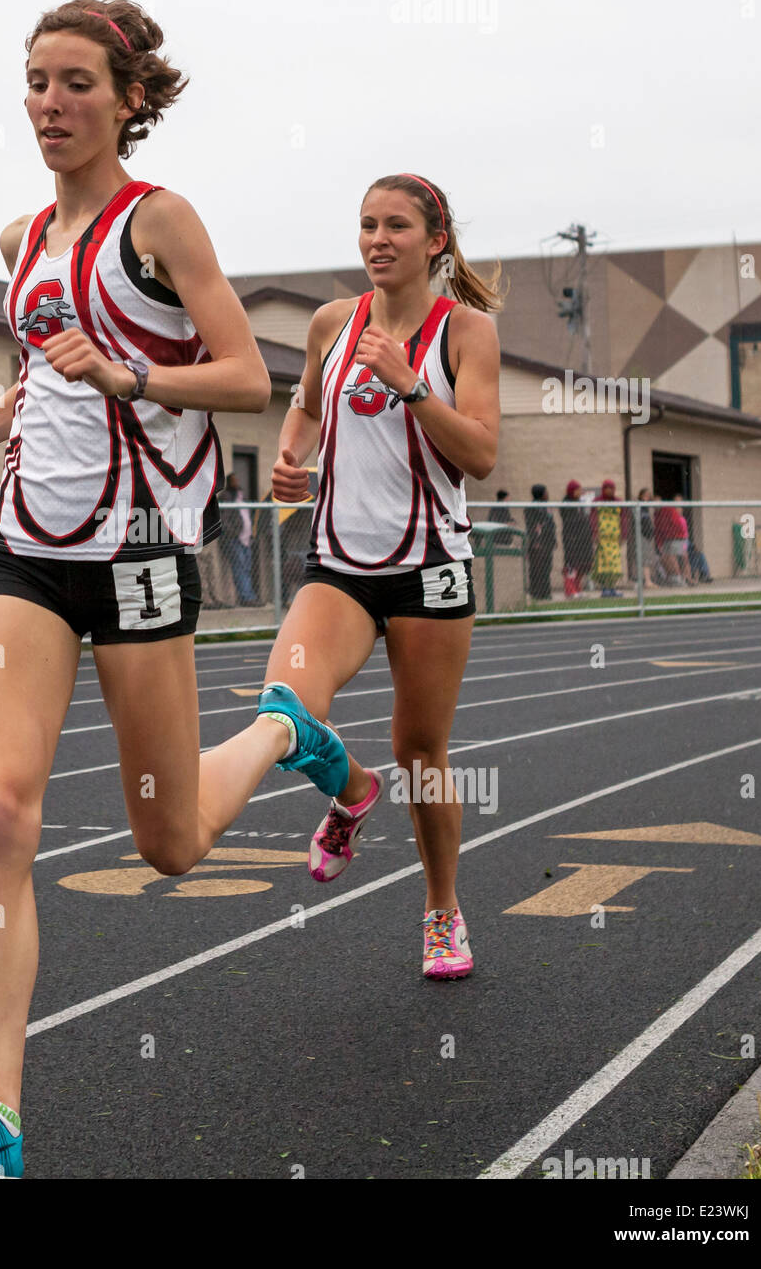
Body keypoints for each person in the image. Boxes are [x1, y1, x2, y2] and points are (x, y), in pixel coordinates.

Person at [0, 0, 296, 1181]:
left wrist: (127, 370)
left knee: (169, 841)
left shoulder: (159, 222)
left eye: (75, 84)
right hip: (26, 550)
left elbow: (248, 375)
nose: (49, 104)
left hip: (134, 555)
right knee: (2, 808)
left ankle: (281, 727)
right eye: (34, 82)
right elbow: (42, 382)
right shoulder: (21, 240)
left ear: (128, 101)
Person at [234, 172, 501, 993]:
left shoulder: (467, 331)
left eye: (395, 226)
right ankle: (349, 794)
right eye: (365, 225)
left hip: (429, 570)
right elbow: (309, 408)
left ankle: (442, 907)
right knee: (286, 703)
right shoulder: (330, 323)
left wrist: (412, 386)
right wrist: (291, 459)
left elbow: (482, 456)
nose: (377, 239)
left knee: (419, 754)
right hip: (340, 566)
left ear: (435, 242)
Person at [219, 473, 257, 604]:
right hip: (234, 539)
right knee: (239, 568)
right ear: (229, 482)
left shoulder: (242, 496)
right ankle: (247, 598)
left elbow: (247, 514)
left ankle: (248, 595)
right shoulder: (226, 496)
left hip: (246, 539)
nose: (237, 482)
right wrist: (232, 532)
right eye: (234, 480)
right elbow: (224, 518)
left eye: (238, 480)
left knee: (247, 567)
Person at [589, 478, 629, 597]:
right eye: (606, 488)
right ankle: (605, 588)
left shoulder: (618, 502)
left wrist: (623, 535)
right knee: (604, 564)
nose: (609, 491)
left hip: (614, 539)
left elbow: (623, 519)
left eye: (611, 488)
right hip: (602, 539)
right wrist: (595, 533)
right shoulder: (597, 501)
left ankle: (612, 588)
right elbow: (593, 519)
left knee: (615, 564)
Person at [560, 479, 593, 596]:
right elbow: (570, 520)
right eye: (577, 490)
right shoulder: (566, 503)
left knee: (581, 565)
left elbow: (584, 517)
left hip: (583, 539)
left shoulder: (579, 502)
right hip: (572, 538)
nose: (580, 492)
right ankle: (570, 590)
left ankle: (577, 588)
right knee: (571, 565)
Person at [525, 484, 557, 600]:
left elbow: (551, 525)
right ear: (540, 493)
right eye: (545, 492)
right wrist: (535, 541)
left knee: (547, 569)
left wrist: (553, 540)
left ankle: (546, 592)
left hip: (547, 542)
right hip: (538, 544)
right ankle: (537, 593)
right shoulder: (532, 508)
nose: (547, 494)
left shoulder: (546, 507)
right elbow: (532, 527)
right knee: (537, 569)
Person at [655, 493, 692, 585]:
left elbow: (677, 526)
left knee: (684, 558)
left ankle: (687, 578)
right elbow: (658, 530)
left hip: (680, 538)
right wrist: (660, 542)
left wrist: (673, 534)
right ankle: (677, 577)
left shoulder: (669, 510)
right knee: (669, 557)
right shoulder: (657, 515)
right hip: (669, 539)